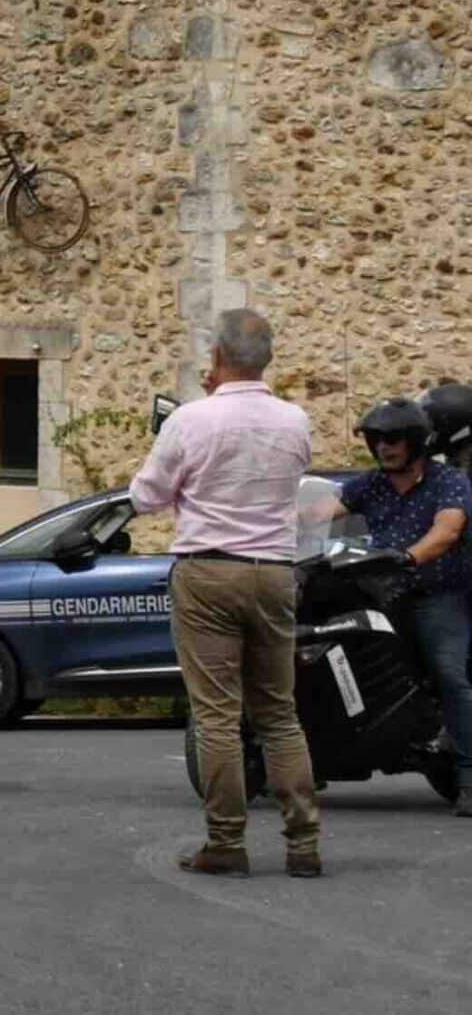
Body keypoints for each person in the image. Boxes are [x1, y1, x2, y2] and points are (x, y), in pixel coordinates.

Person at [129, 308, 319, 876]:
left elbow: (147, 495)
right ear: (269, 359)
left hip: (209, 570)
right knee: (280, 714)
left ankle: (227, 841)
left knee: (216, 716)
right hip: (275, 569)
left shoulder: (191, 420)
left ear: (216, 357)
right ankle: (303, 840)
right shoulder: (294, 420)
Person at [311, 397, 472, 817]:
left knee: (449, 673)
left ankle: (470, 775)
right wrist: (277, 522)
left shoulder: (448, 482)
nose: (384, 446)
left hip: (435, 593)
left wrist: (411, 556)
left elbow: (448, 528)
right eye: (377, 439)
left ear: (417, 441)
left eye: (394, 438)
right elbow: (322, 510)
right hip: (379, 593)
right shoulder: (370, 484)